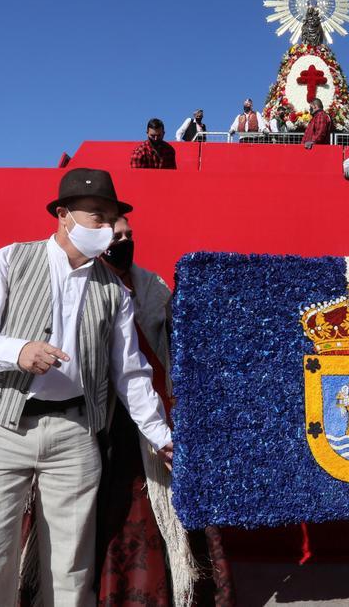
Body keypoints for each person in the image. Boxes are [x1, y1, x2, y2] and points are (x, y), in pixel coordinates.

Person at [0, 168, 173, 607]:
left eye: (111, 219)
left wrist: (160, 435)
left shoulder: (115, 292)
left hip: (75, 433)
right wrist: (16, 349)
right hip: (3, 427)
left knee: (70, 566)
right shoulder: (11, 260)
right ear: (63, 215)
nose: (107, 229)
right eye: (96, 218)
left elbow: (131, 373)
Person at [18, 215, 236, 606]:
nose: (124, 241)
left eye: (129, 235)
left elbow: (170, 346)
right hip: (93, 420)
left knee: (154, 509)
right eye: (116, 236)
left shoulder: (152, 285)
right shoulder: (81, 284)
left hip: (145, 417)